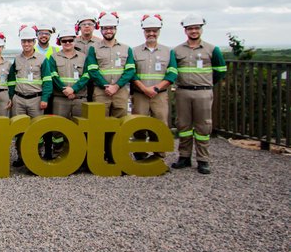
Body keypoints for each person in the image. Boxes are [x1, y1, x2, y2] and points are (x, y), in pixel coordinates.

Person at [171, 15, 227, 175]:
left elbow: (220, 71)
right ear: (185, 30)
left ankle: (203, 160)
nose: (193, 31)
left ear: (201, 29)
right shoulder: (177, 50)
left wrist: (206, 82)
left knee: (203, 126)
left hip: (203, 91)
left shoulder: (211, 49)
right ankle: (184, 156)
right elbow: (173, 70)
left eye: (196, 28)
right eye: (190, 28)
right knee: (184, 126)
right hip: (183, 91)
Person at [85, 12, 136, 163]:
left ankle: (116, 154)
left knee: (120, 124)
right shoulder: (94, 49)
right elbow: (92, 69)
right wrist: (105, 86)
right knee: (100, 125)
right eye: (106, 28)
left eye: (111, 28)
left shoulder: (127, 49)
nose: (108, 31)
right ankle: (101, 155)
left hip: (120, 92)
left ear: (116, 29)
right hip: (101, 92)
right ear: (101, 29)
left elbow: (130, 70)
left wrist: (117, 86)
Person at [131, 15, 178, 159]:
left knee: (160, 124)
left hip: (160, 94)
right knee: (138, 124)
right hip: (140, 94)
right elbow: (131, 73)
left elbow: (172, 73)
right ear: (143, 31)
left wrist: (157, 88)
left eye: (154, 30)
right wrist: (144, 89)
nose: (151, 33)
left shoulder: (168, 51)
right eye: (148, 31)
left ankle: (159, 153)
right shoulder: (134, 51)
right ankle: (139, 152)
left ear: (159, 31)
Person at [7, 25, 52, 166]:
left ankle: (35, 155)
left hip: (36, 99)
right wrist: (11, 97)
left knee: (36, 130)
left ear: (34, 42)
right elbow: (11, 80)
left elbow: (47, 81)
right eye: (24, 41)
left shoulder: (42, 59)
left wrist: (44, 98)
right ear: (21, 42)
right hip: (19, 99)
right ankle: (21, 156)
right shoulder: (16, 59)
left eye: (29, 41)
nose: (26, 44)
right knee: (20, 130)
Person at [48, 31, 90, 159]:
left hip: (79, 99)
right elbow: (53, 75)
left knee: (80, 128)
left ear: (74, 41)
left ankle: (79, 156)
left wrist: (74, 89)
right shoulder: (54, 57)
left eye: (70, 40)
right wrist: (64, 90)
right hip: (60, 99)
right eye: (63, 41)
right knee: (58, 129)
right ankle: (58, 154)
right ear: (60, 42)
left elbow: (87, 75)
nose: (67, 43)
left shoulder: (84, 57)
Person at [35, 25, 59, 156]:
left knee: (49, 122)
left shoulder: (56, 51)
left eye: (47, 34)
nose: (44, 36)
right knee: (36, 123)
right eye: (41, 33)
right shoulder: (31, 50)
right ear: (37, 35)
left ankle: (49, 150)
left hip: (52, 92)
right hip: (36, 93)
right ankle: (35, 152)